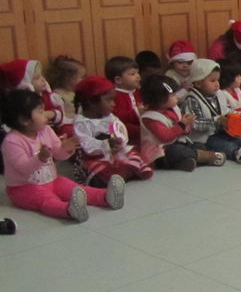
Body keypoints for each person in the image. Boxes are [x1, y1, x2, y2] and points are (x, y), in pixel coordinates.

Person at [1, 88, 124, 222]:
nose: (46, 115)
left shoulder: (45, 130)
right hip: (23, 188)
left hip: (52, 180)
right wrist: (40, 158)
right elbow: (23, 168)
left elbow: (59, 155)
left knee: (75, 188)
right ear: (24, 120)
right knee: (46, 199)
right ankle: (68, 210)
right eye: (41, 112)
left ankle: (106, 197)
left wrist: (66, 149)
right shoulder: (12, 141)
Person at [180, 59, 241, 165]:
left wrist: (239, 115)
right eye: (212, 81)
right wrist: (218, 121)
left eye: (218, 80)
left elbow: (226, 111)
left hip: (221, 131)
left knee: (239, 138)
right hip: (205, 138)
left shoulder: (218, 94)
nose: (217, 85)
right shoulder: (191, 99)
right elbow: (195, 124)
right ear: (198, 83)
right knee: (224, 145)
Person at [70, 76, 152, 185]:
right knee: (100, 173)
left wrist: (119, 141)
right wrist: (106, 144)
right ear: (92, 102)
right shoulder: (81, 123)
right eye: (109, 100)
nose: (114, 104)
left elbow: (119, 129)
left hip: (114, 152)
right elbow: (87, 145)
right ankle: (123, 172)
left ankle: (123, 170)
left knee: (133, 153)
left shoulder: (109, 117)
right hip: (93, 157)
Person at [138, 74, 223, 170]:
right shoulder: (150, 118)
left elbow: (183, 131)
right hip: (160, 152)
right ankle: (202, 157)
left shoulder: (172, 109)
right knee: (176, 151)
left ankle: (189, 160)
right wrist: (182, 124)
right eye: (172, 95)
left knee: (198, 145)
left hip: (178, 142)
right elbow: (165, 137)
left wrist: (187, 126)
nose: (176, 97)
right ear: (160, 99)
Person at [1, 58, 68, 133]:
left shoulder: (47, 96)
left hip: (49, 132)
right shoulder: (21, 105)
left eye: (42, 76)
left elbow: (61, 115)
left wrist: (53, 114)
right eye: (37, 78)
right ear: (25, 83)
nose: (43, 80)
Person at [104, 56, 142, 143]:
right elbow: (118, 117)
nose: (138, 76)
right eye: (133, 74)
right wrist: (136, 112)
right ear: (118, 80)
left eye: (137, 73)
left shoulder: (138, 92)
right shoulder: (114, 95)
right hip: (123, 127)